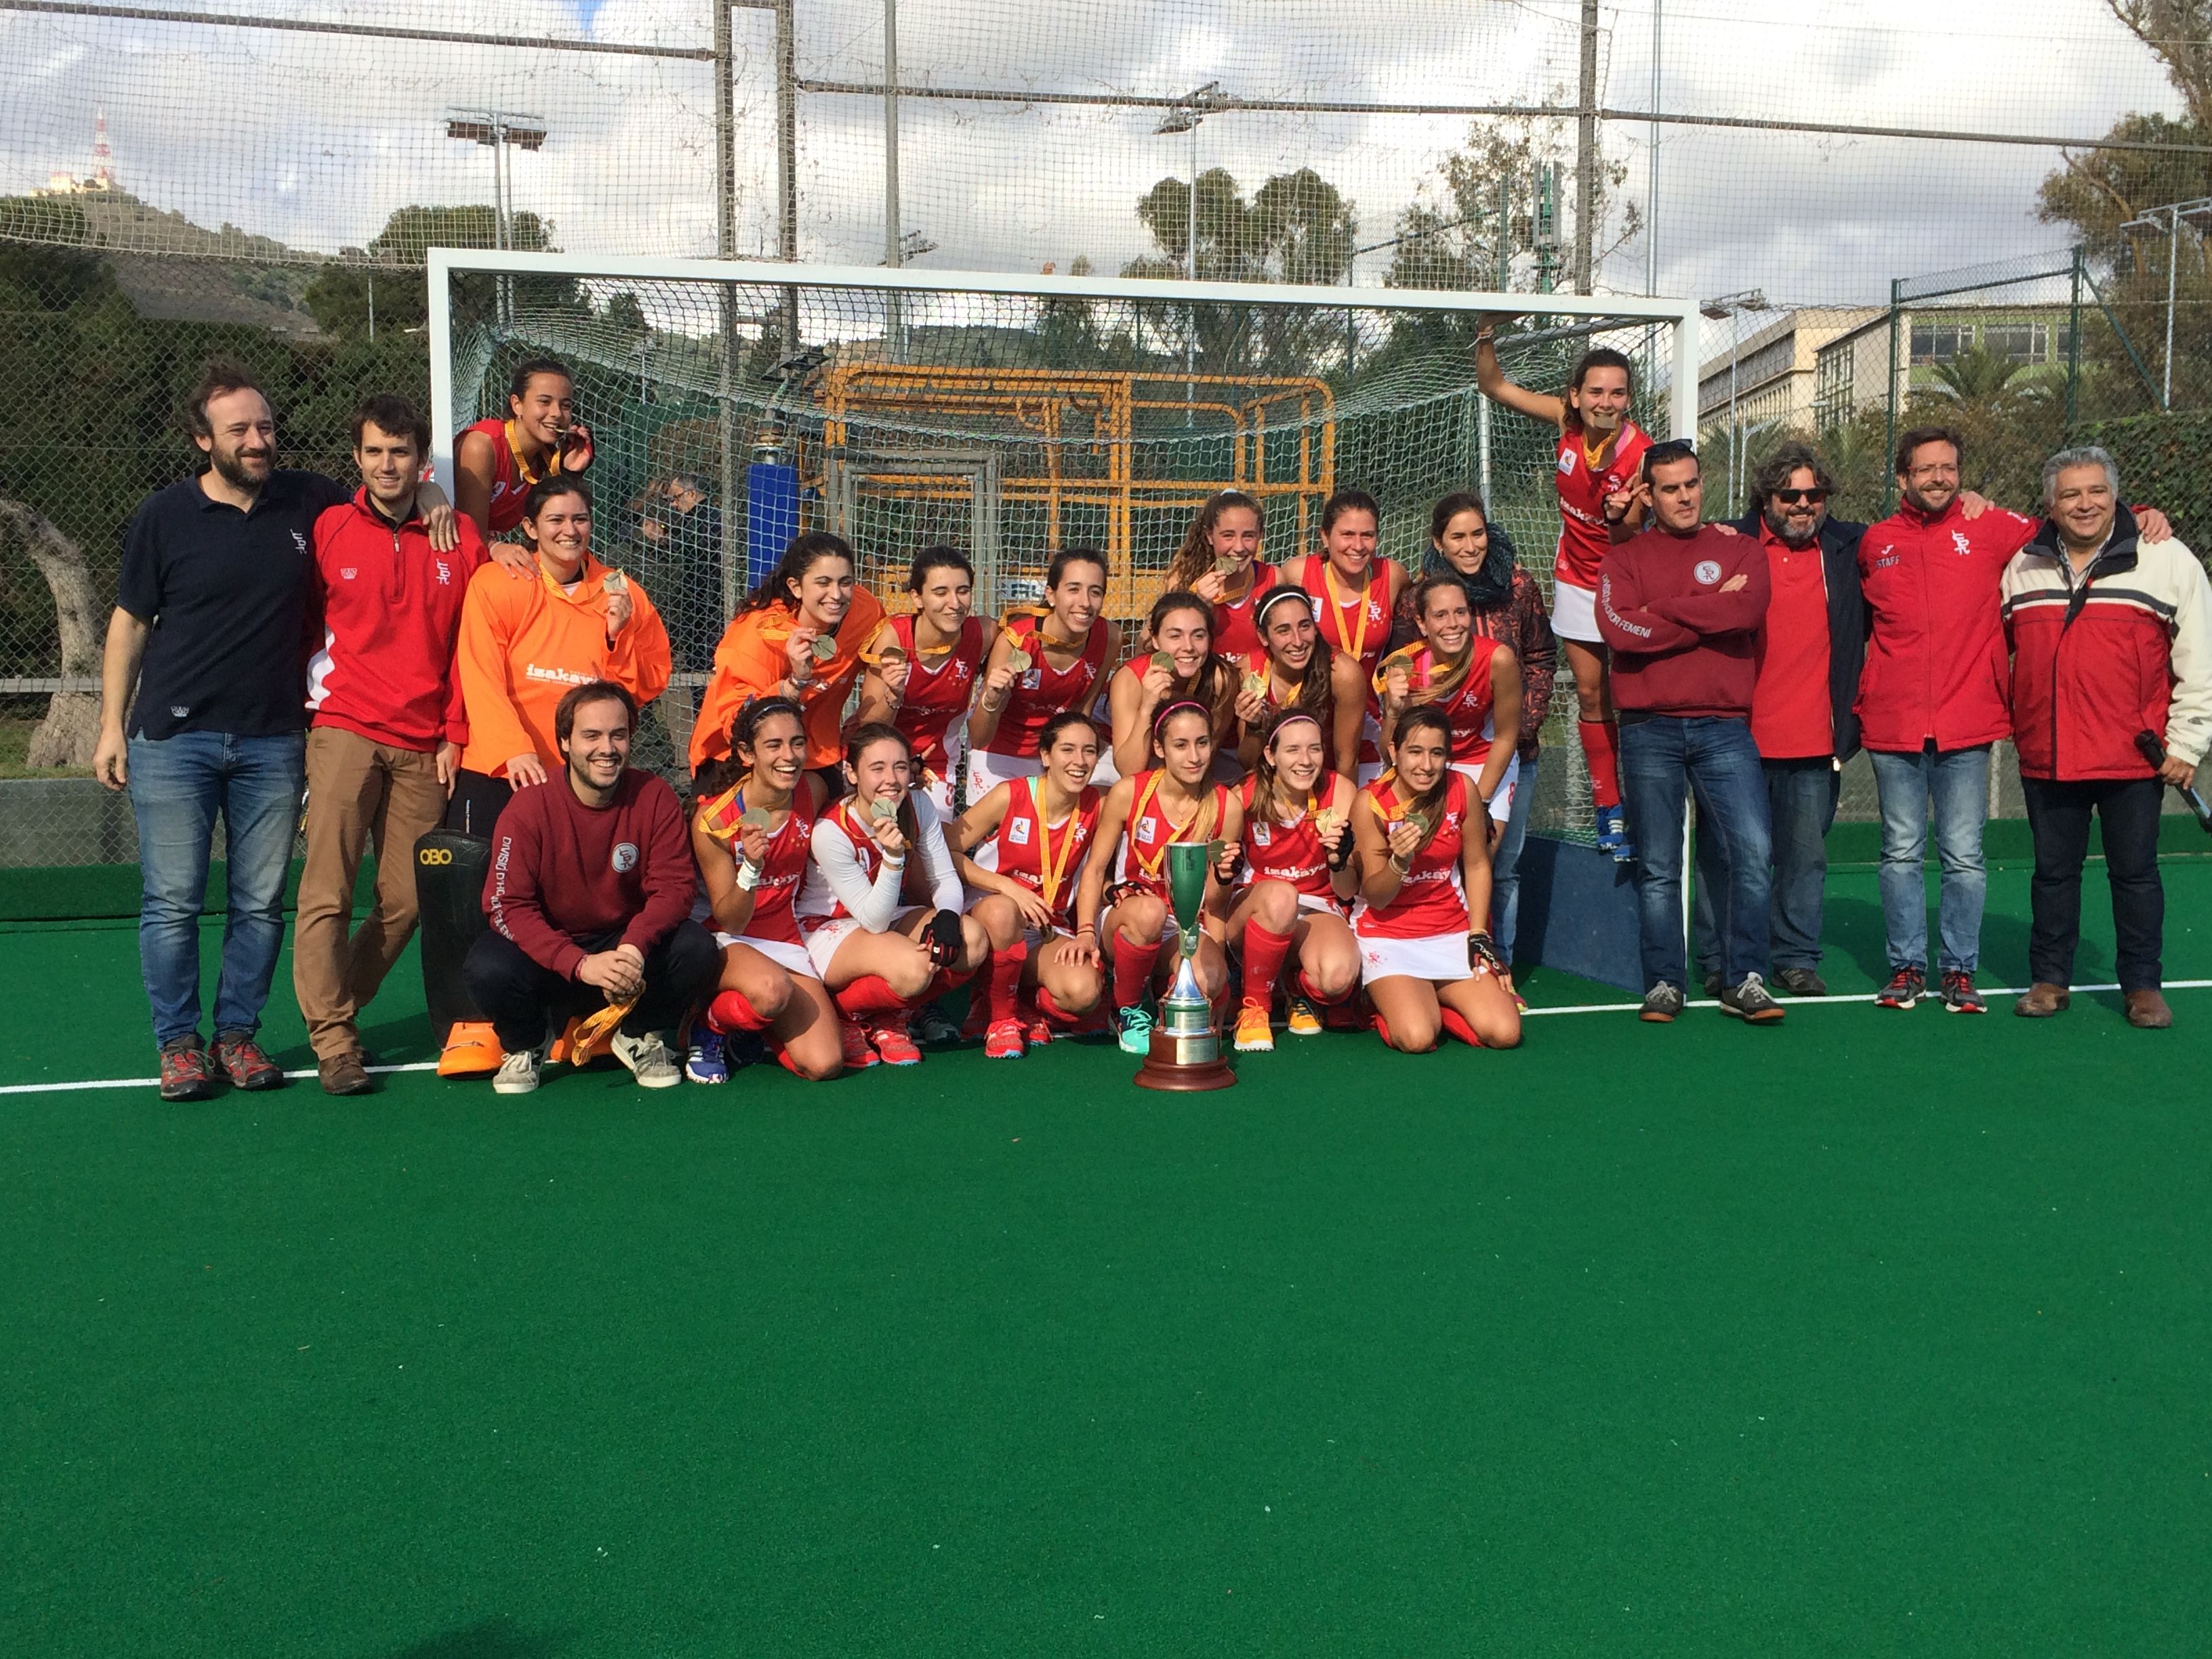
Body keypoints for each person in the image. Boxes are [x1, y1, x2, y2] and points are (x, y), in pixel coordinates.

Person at [91, 361, 459, 1101]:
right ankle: (179, 1046)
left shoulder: (307, 502)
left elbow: (393, 487)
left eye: (265, 426)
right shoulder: (164, 517)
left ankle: (238, 1037)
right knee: (174, 901)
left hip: (273, 740)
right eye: (240, 430)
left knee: (261, 903)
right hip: (173, 737)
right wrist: (110, 727)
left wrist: (436, 491)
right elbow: (129, 623)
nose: (258, 440)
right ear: (203, 439)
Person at [293, 394, 488, 1095]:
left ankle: (335, 998)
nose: (386, 465)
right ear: (356, 457)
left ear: (419, 459)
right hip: (344, 728)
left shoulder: (459, 538)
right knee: (328, 892)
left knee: (407, 900)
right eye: (374, 451)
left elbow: (473, 646)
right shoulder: (328, 528)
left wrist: (454, 732)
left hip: (426, 743)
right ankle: (336, 1042)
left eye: (400, 452)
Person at [2003, 447, 2211, 1029]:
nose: (2084, 504)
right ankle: (2049, 979)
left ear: (2116, 496)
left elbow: (2200, 657)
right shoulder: (2021, 563)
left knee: (2136, 874)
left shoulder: (2166, 558)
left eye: (2095, 491)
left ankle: (2143, 987)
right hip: (2049, 753)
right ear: (2050, 503)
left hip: (2134, 755)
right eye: (2069, 494)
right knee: (2052, 874)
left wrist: (2187, 745)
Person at [1595, 441, 1781, 1025]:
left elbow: (1745, 613)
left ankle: (1745, 978)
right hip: (1649, 729)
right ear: (1648, 495)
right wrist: (1703, 608)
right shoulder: (1622, 559)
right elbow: (1621, 631)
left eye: (1692, 484)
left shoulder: (1743, 549)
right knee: (1658, 864)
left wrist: (1665, 610)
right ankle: (1664, 984)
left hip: (1725, 726)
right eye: (1671, 488)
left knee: (1753, 851)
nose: (1685, 496)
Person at [461, 681, 720, 1094]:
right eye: (591, 736)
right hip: (552, 954)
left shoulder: (655, 797)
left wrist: (633, 947)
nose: (607, 748)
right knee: (487, 965)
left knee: (696, 948)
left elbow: (675, 888)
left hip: (622, 953)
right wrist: (578, 963)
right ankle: (528, 1041)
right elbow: (506, 906)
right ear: (564, 742)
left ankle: (639, 1033)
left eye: (618, 735)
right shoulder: (529, 805)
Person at [1687, 441, 1866, 1000]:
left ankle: (1794, 957)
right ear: (1767, 497)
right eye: (1791, 494)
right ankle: (1720, 959)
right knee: (1724, 854)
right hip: (1734, 738)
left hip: (1816, 740)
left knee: (1804, 859)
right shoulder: (1727, 545)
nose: (1803, 505)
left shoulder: (1849, 547)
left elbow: (1922, 532)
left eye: (1814, 495)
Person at [1474, 334, 1650, 861]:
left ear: (1628, 400)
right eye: (1596, 390)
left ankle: (1646, 804)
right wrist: (1487, 332)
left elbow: (1630, 538)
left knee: (1638, 698)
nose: (1606, 402)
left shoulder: (1641, 454)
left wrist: (1622, 517)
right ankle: (1608, 808)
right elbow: (1493, 383)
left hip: (1631, 582)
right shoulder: (1566, 424)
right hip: (1575, 577)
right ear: (1574, 396)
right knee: (1592, 696)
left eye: (1618, 393)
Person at [448, 477, 672, 836]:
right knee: (485, 885)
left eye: (580, 519)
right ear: (530, 528)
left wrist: (618, 637)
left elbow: (646, 687)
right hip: (502, 768)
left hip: (582, 777)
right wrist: (512, 750)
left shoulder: (621, 592)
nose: (570, 530)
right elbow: (481, 676)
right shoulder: (498, 582)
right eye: (556, 520)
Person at [1389, 492, 1556, 966]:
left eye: (1477, 533)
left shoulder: (1519, 584)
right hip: (1439, 754)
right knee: (1441, 864)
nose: (1470, 545)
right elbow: (1402, 671)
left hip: (1504, 751)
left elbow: (1542, 657)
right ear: (1438, 543)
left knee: (1499, 865)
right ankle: (1440, 962)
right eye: (1458, 536)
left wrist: (1522, 725)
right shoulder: (1417, 598)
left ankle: (1494, 962)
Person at [795, 724, 987, 1069]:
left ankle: (891, 1016)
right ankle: (848, 1015)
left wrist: (946, 916)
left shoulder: (917, 803)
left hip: (880, 918)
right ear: (851, 773)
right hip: (827, 928)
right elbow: (874, 919)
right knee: (913, 969)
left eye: (900, 766)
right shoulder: (830, 832)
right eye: (877, 768)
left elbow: (943, 876)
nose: (892, 779)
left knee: (970, 940)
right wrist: (894, 857)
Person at [1072, 701, 1244, 1055]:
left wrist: (1224, 880)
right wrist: (1086, 932)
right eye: (1180, 745)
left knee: (1206, 982)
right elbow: (1093, 870)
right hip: (1129, 916)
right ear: (1159, 748)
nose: (1194, 756)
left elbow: (1215, 903)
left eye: (1202, 743)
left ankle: (1158, 987)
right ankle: (1128, 1009)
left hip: (1185, 925)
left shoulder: (1227, 806)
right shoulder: (1130, 792)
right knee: (1149, 912)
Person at [1348, 705, 1521, 1052]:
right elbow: (1376, 897)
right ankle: (1385, 1004)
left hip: (1450, 931)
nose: (1426, 766)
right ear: (1394, 752)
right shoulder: (1371, 802)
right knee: (1417, 1038)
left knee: (1505, 1033)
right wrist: (1399, 862)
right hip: (1389, 936)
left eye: (1437, 753)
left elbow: (1476, 865)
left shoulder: (1462, 788)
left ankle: (1437, 1000)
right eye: (1415, 751)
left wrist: (1478, 934)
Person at [690, 697, 842, 1083]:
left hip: (786, 936)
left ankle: (754, 1027)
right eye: (773, 745)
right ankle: (709, 1026)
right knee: (771, 990)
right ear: (746, 753)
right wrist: (751, 869)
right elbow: (730, 918)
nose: (789, 756)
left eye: (797, 743)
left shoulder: (813, 788)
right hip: (731, 937)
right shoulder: (713, 820)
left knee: (823, 1064)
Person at [951, 712, 1110, 1058]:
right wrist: (1007, 887)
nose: (1079, 761)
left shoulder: (1099, 804)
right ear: (1045, 756)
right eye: (1068, 750)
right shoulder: (1011, 794)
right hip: (991, 919)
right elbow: (946, 850)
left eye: (1089, 751)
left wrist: (1086, 932)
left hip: (1047, 927)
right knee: (1002, 910)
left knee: (1084, 993)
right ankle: (1002, 1017)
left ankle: (1023, 1002)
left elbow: (1096, 873)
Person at [690, 531, 885, 787]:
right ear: (796, 587)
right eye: (823, 583)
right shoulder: (759, 633)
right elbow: (737, 723)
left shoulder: (866, 613)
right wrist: (794, 684)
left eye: (845, 582)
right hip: (736, 757)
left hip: (815, 755)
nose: (836, 595)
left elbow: (900, 645)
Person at [1222, 709, 1361, 1051]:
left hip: (1315, 905)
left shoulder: (1339, 789)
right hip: (1255, 907)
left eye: (1314, 749)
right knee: (1282, 897)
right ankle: (1255, 1008)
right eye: (1293, 750)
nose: (1306, 760)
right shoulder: (1243, 796)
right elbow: (1219, 883)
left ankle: (1293, 985)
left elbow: (1347, 890)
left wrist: (1339, 860)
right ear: (1270, 756)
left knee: (1337, 979)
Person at [1374, 575, 1521, 836]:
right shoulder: (1406, 667)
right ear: (1422, 623)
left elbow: (1506, 737)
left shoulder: (1498, 660)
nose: (1452, 624)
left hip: (1483, 760)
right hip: (1430, 764)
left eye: (1460, 612)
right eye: (1440, 615)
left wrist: (1480, 803)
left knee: (1481, 852)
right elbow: (1389, 754)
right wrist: (1394, 710)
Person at [966, 548, 1118, 798]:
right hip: (1000, 757)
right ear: (1051, 594)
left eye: (1095, 592)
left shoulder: (1110, 637)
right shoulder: (1015, 641)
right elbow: (979, 737)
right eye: (1073, 589)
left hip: (1055, 759)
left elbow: (1083, 712)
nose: (1085, 602)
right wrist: (991, 702)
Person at [853, 546, 991, 816]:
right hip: (882, 757)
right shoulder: (894, 639)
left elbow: (1028, 634)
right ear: (917, 597)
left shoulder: (983, 634)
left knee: (932, 846)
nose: (955, 603)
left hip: (937, 760)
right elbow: (869, 727)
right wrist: (893, 695)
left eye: (963, 591)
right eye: (941, 593)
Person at [1231, 585, 1366, 779]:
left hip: (1324, 779)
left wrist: (1342, 806)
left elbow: (1347, 759)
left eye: (1305, 626)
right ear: (1263, 636)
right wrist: (1254, 727)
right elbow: (1249, 764)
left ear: (1315, 627)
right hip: (1271, 782)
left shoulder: (1342, 673)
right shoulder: (1250, 672)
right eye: (1283, 631)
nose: (1297, 641)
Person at [453, 359, 594, 539]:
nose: (557, 413)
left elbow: (551, 536)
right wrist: (496, 548)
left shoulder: (547, 460)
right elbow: (470, 538)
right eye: (544, 402)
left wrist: (569, 474)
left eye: (565, 405)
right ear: (517, 404)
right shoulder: (481, 446)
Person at [1105, 590, 1240, 779]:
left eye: (1198, 636)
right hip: (1129, 753)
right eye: (1175, 636)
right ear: (1155, 640)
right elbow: (1130, 771)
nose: (1188, 646)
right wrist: (1148, 707)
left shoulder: (1221, 680)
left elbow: (1203, 759)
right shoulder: (1130, 679)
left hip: (1187, 762)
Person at [1161, 490, 1277, 657]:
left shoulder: (1274, 578)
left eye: (1249, 536)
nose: (1239, 547)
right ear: (1210, 536)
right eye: (1228, 536)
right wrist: (1198, 605)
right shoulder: (1183, 582)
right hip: (1203, 682)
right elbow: (1149, 646)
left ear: (1260, 535)